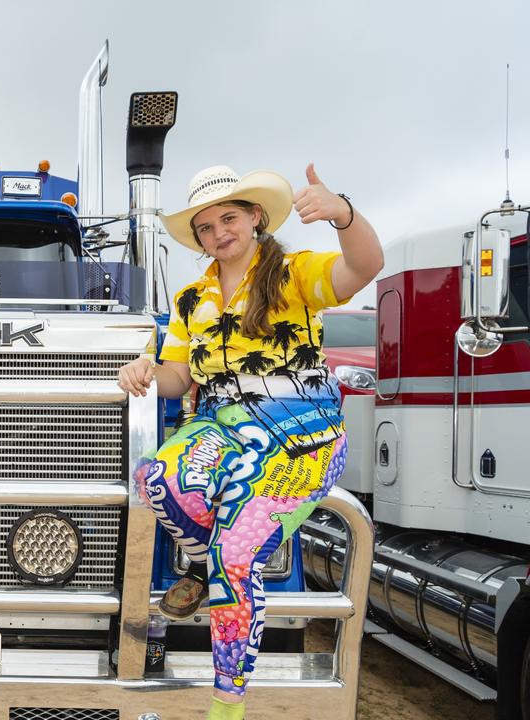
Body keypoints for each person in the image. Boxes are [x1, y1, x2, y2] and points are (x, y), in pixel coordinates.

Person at [119, 164, 383, 720]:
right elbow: (177, 379)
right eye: (207, 227)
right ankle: (200, 565)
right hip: (222, 429)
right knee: (155, 479)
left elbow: (365, 266)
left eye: (229, 218)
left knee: (235, 554)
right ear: (199, 238)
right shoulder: (191, 300)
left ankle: (227, 706)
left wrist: (343, 214)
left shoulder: (292, 273)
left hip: (301, 437)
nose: (220, 234)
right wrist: (144, 366)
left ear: (256, 218)